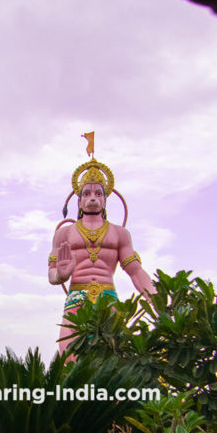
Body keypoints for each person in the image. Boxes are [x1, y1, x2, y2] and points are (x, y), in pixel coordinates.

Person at [48, 135, 154, 353]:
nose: (92, 197)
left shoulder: (120, 233)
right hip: (76, 298)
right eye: (86, 193)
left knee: (114, 356)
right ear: (79, 201)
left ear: (105, 199)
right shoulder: (64, 234)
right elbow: (51, 273)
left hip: (108, 298)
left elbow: (135, 271)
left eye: (98, 193)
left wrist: (155, 297)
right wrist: (60, 275)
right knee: (68, 355)